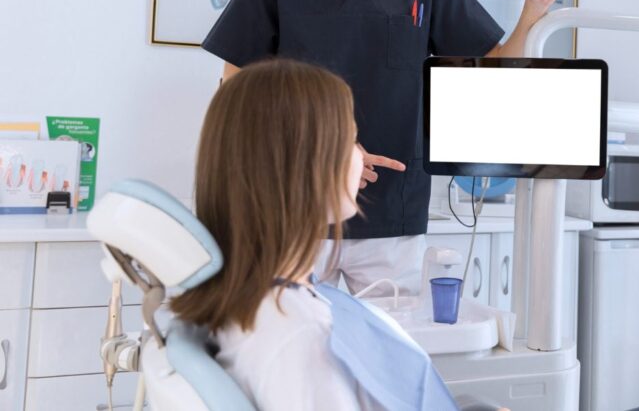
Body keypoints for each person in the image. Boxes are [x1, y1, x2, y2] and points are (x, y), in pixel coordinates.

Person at [202, 0, 566, 295]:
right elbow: (234, 96)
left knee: (385, 359)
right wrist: (325, 147)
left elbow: (492, 73)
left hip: (393, 222)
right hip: (291, 214)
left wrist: (532, 13)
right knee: (294, 353)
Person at [170, 58, 460, 410]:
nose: (360, 157)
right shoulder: (299, 338)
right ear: (304, 169)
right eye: (353, 140)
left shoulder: (246, 295)